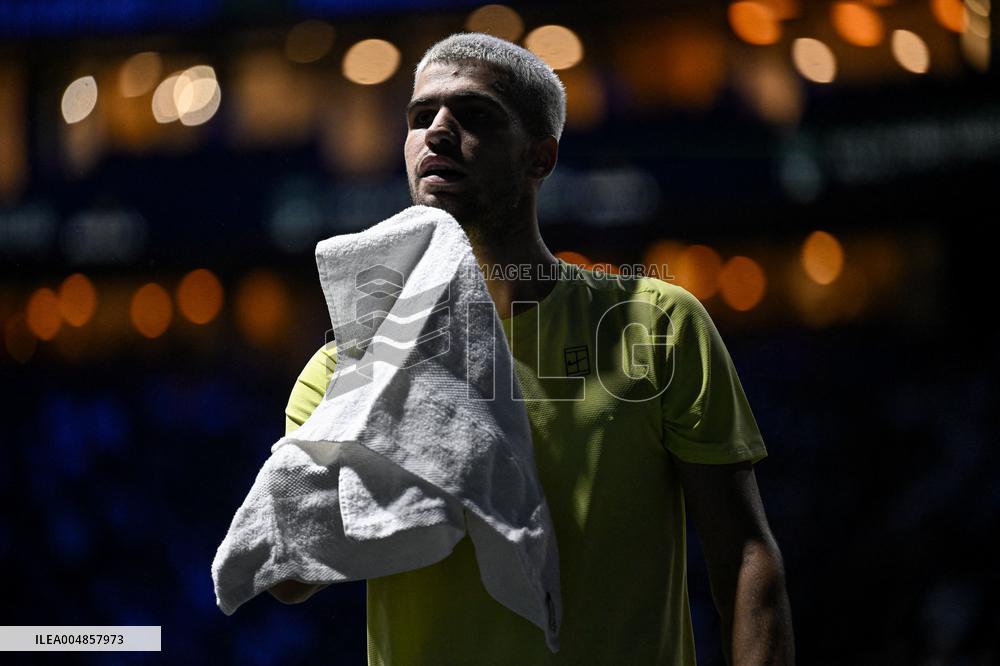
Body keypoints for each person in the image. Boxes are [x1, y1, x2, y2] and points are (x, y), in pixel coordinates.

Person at [270, 32, 794, 665]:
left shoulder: (657, 324)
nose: (437, 132)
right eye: (419, 116)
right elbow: (291, 577)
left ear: (540, 157)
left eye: (474, 114)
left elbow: (745, 554)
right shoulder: (345, 366)